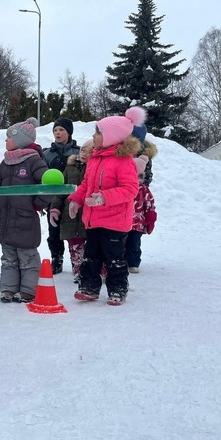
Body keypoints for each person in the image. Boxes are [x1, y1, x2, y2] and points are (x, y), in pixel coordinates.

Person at [68, 106, 145, 306]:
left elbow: (130, 189)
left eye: (98, 132)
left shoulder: (123, 161)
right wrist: (76, 199)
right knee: (91, 255)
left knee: (114, 258)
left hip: (114, 221)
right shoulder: (94, 158)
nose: (94, 135)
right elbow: (86, 184)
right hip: (93, 219)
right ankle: (89, 287)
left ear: (111, 137)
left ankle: (118, 289)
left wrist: (104, 197)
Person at [0, 117, 52, 303]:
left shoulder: (34, 161)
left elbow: (47, 184)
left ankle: (28, 290)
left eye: (9, 137)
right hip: (6, 220)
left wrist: (37, 204)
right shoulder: (5, 162)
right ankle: (8, 289)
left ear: (21, 139)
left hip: (25, 220)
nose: (6, 140)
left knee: (27, 256)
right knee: (8, 257)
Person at [47, 140, 92, 284]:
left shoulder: (94, 168)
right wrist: (55, 208)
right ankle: (78, 271)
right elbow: (61, 192)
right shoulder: (69, 168)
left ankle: (95, 271)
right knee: (75, 246)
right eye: (82, 150)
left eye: (88, 150)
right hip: (70, 215)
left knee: (91, 246)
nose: (84, 153)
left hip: (88, 215)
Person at [42, 118, 80, 274]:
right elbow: (41, 176)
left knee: (75, 231)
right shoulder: (46, 154)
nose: (57, 133)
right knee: (54, 231)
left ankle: (77, 260)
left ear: (69, 132)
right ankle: (56, 258)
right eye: (55, 130)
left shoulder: (79, 152)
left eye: (61, 130)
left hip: (74, 199)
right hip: (54, 200)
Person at [125, 155, 157, 273]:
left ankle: (133, 263)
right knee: (122, 242)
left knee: (134, 244)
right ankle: (123, 261)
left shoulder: (143, 189)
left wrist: (150, 217)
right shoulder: (124, 187)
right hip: (123, 222)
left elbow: (149, 203)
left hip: (138, 223)